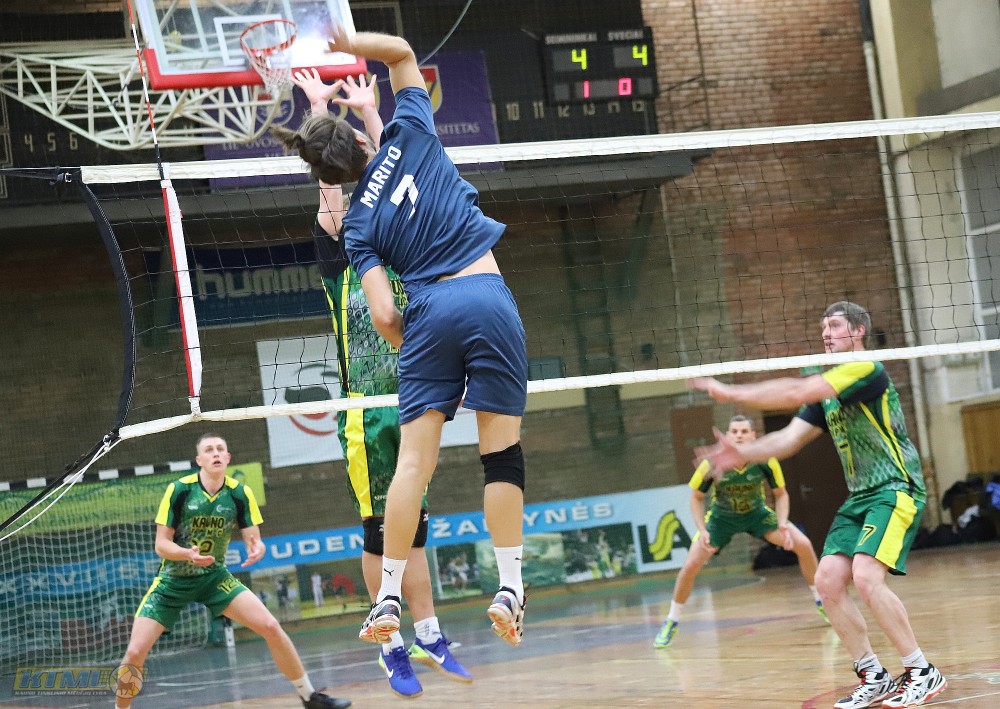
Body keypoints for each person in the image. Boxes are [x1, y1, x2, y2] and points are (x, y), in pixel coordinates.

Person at [277, 25, 528, 649]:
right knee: (500, 456)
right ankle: (509, 587)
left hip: (428, 316)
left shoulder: (358, 226)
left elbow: (386, 315)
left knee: (412, 466)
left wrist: (418, 346)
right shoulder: (412, 132)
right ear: (363, 139)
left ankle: (386, 597)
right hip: (486, 293)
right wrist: (346, 39)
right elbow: (403, 55)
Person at [276, 69, 472, 698]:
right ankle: (391, 647)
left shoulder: (399, 249)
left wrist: (370, 113)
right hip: (364, 408)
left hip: (412, 397)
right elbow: (334, 180)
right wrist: (317, 109)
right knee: (378, 528)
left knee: (414, 527)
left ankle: (430, 633)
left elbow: (393, 176)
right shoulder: (341, 253)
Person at [690, 302, 946, 709]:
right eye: (823, 327)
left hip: (895, 487)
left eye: (835, 326)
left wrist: (733, 392)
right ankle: (874, 676)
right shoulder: (828, 395)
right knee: (827, 580)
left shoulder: (865, 370)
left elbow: (796, 390)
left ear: (858, 331)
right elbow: (789, 439)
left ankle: (921, 670)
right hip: (860, 496)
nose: (826, 334)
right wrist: (743, 454)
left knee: (866, 577)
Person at [113, 434, 350, 709]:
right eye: (208, 450)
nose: (215, 453)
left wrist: (257, 548)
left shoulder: (239, 493)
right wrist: (187, 554)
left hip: (215, 578)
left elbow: (254, 538)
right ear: (199, 460)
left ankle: (309, 696)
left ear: (227, 458)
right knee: (135, 651)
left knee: (271, 627)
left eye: (220, 449)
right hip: (173, 581)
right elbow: (161, 545)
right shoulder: (179, 490)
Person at [654, 414, 826, 649]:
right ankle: (672, 620)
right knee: (690, 565)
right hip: (721, 519)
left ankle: (821, 601)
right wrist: (702, 529)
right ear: (727, 436)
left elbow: (781, 494)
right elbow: (695, 497)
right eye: (734, 432)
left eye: (744, 431)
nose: (739, 436)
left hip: (757, 515)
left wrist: (782, 523)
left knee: (803, 544)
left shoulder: (765, 459)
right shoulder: (712, 463)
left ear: (753, 435)